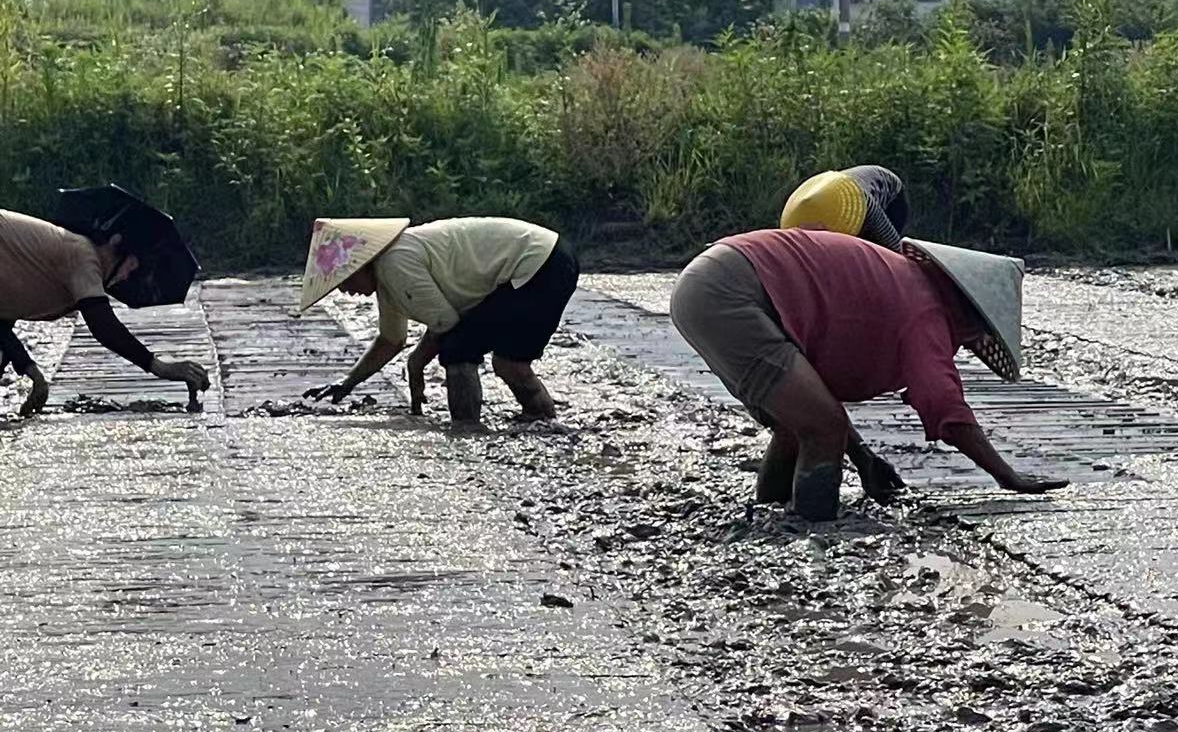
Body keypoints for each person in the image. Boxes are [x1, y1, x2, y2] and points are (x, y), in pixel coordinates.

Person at [669, 226, 1066, 520]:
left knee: (801, 423)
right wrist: (1007, 476)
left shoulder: (901, 282)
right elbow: (946, 408)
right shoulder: (927, 312)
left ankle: (768, 526)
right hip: (731, 292)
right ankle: (810, 543)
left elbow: (821, 401)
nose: (962, 345)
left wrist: (864, 460)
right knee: (820, 429)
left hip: (711, 281)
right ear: (971, 314)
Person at [298, 216, 578, 426]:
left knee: (458, 346)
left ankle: (467, 429)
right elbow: (390, 341)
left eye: (344, 281)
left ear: (360, 265)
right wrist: (348, 383)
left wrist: (417, 363)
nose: (347, 292)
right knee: (507, 362)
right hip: (548, 259)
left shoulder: (394, 263)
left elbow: (445, 324)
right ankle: (541, 420)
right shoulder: (389, 277)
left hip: (539, 264)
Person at [0, 208, 211, 417]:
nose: (126, 276)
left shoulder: (37, 270)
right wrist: (160, 367)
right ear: (115, 242)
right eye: (130, 266)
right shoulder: (82, 254)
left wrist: (32, 373)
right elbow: (103, 325)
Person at [780, 165, 909, 250]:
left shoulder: (865, 209)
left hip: (891, 196)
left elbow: (893, 246)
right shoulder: (796, 216)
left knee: (878, 251)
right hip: (834, 189)